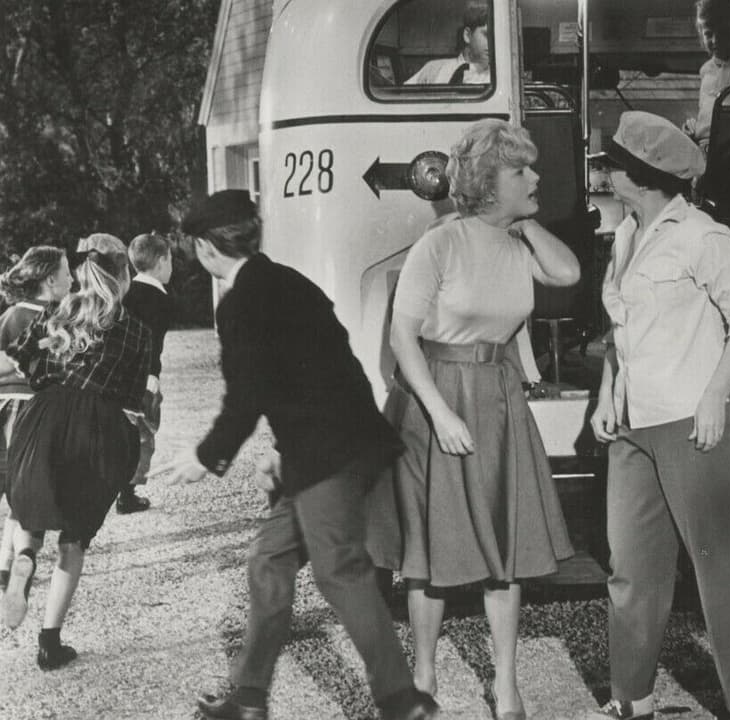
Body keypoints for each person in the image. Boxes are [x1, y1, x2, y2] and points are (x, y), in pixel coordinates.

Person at [166, 190, 437, 720]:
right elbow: (320, 370)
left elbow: (246, 396)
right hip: (346, 443)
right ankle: (248, 699)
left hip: (324, 456)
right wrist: (281, 448)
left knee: (340, 571)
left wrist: (206, 456)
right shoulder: (290, 281)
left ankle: (402, 701)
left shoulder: (239, 304)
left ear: (205, 247)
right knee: (270, 559)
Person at [373, 119, 579, 720]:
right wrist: (439, 415)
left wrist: (524, 222)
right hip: (434, 396)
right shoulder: (439, 243)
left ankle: (506, 684)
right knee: (430, 552)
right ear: (489, 183)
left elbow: (568, 273)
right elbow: (403, 338)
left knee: (504, 548)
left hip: (498, 396)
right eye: (521, 171)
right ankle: (424, 675)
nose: (535, 177)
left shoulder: (518, 243)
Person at [588, 111, 730, 720]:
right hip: (633, 426)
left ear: (641, 176)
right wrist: (608, 393)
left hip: (691, 420)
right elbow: (621, 328)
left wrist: (717, 396)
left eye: (614, 164)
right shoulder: (625, 234)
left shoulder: (703, 236)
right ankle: (630, 698)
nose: (605, 171)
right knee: (631, 570)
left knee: (718, 565)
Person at [1, 250, 152, 671]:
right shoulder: (136, 329)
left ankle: (26, 556)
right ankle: (49, 643)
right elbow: (133, 398)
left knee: (30, 510)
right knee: (74, 539)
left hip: (44, 415)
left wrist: (46, 374)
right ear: (123, 281)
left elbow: (21, 356)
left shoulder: (57, 312)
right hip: (99, 426)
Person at [0, 247, 73, 596]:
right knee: (27, 490)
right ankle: (17, 557)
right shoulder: (63, 318)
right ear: (50, 280)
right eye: (67, 272)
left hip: (11, 405)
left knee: (13, 485)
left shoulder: (13, 315)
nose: (72, 279)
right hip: (44, 409)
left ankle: (6, 565)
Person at [117, 232, 176, 515]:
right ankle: (128, 493)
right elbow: (151, 343)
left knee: (124, 429)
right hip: (143, 376)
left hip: (120, 373)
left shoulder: (126, 292)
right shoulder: (160, 300)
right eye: (171, 260)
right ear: (162, 261)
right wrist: (152, 375)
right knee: (144, 433)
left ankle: (120, 486)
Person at [687, 0, 730, 147]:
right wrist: (695, 126)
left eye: (722, 33)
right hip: (703, 145)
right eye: (708, 34)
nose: (715, 40)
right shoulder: (705, 70)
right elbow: (706, 112)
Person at [404, 3, 490, 85]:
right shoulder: (433, 68)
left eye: (495, 38)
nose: (492, 43)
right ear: (467, 35)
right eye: (487, 35)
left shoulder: (495, 77)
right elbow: (403, 92)